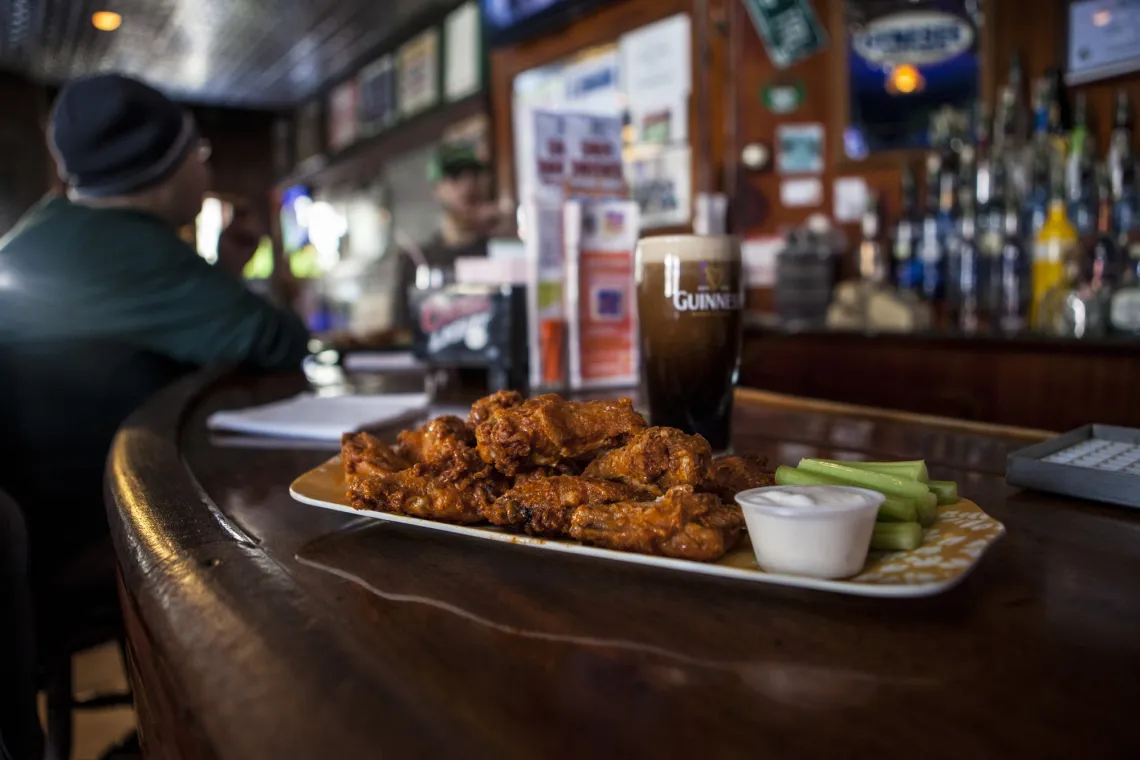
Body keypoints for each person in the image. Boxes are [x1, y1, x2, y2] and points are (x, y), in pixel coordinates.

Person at [0, 73, 310, 574]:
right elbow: (281, 341)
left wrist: (225, 267)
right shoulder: (131, 248)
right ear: (168, 168)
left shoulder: (44, 232)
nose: (204, 168)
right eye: (198, 151)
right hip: (91, 531)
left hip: (35, 524)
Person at [394, 143, 511, 325]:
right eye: (455, 175)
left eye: (475, 173)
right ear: (436, 190)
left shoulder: (502, 251)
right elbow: (401, 333)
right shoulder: (417, 261)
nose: (468, 183)